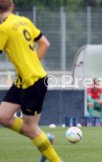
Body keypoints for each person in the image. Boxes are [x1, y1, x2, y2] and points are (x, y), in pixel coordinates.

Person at [0, 0, 62, 161]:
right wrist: (32, 63)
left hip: (34, 81)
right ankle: (42, 138)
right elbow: (44, 43)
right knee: (3, 117)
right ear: (12, 6)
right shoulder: (24, 21)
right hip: (23, 80)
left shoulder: (3, 29)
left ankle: (54, 157)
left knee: (30, 128)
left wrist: (30, 67)